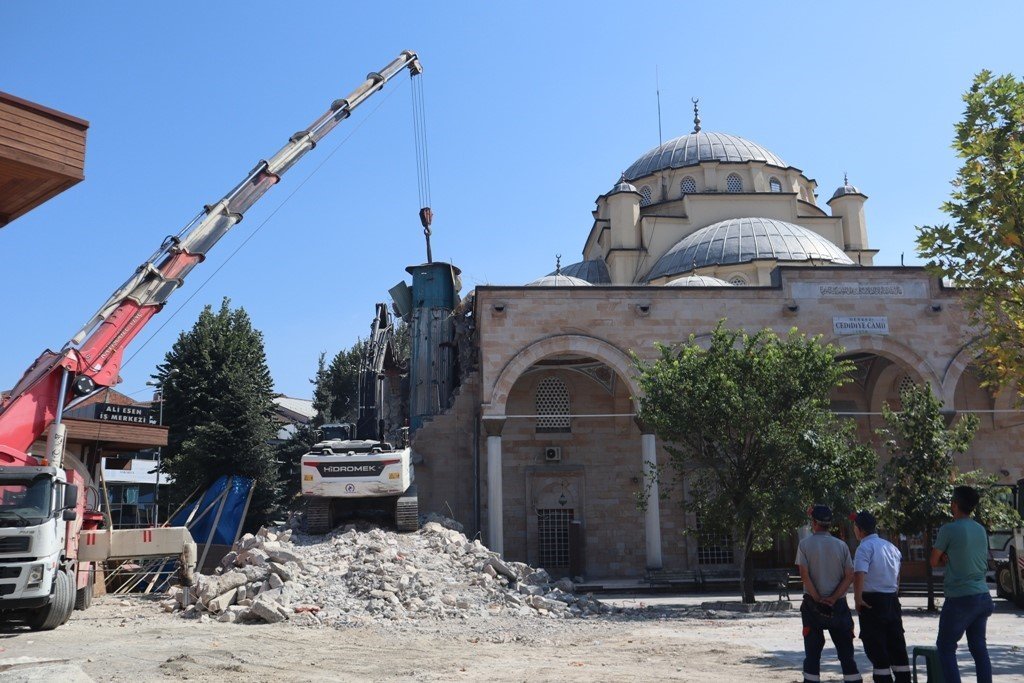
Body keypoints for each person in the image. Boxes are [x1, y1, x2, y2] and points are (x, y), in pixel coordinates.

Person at [931, 485, 993, 683]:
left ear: (955, 504)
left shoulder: (948, 529)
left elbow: (933, 561)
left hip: (960, 598)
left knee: (945, 647)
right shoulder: (980, 529)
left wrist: (944, 558)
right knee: (979, 648)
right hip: (983, 595)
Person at [796, 504, 863, 683]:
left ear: (814, 523)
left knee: (812, 654)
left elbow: (804, 575)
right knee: (846, 654)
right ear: (829, 524)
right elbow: (849, 575)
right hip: (838, 606)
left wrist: (818, 598)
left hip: (812, 606)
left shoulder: (804, 545)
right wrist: (833, 598)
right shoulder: (841, 546)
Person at [852, 510, 910, 683]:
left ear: (860, 529)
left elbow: (859, 574)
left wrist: (857, 599)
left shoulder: (864, 548)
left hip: (872, 601)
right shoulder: (891, 547)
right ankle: (904, 679)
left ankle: (883, 679)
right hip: (891, 599)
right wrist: (894, 594)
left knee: (875, 645)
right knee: (896, 643)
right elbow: (898, 576)